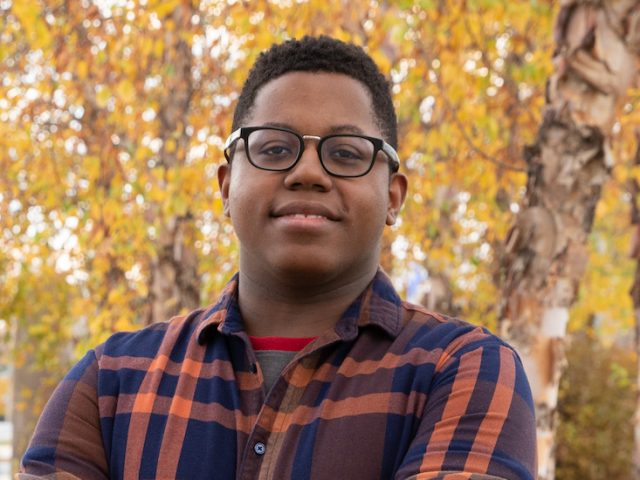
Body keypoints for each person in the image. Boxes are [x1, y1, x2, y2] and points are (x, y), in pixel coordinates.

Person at [19, 36, 536, 479]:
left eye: (347, 153)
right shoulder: (111, 378)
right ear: (225, 187)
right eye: (272, 148)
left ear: (393, 198)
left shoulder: (465, 369)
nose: (308, 172)